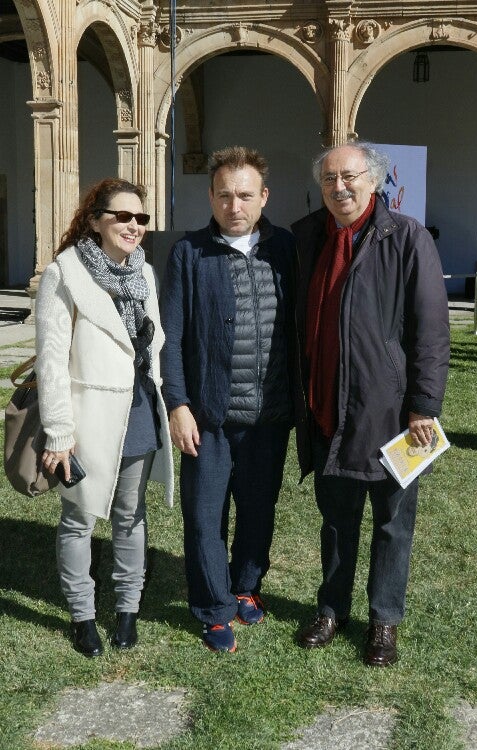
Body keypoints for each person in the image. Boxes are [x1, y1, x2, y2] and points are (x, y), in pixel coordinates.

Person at [292, 141, 449, 666]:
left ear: (375, 179)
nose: (340, 187)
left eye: (350, 176)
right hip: (326, 408)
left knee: (392, 521)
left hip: (392, 414)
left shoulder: (406, 237)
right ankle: (331, 609)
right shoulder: (308, 235)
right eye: (330, 178)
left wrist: (423, 404)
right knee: (336, 520)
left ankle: (384, 621)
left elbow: (430, 330)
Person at [160, 146, 295, 653]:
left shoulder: (284, 247)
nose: (234, 205)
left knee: (259, 509)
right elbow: (171, 338)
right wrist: (178, 404)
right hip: (209, 417)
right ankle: (214, 607)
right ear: (211, 197)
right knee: (203, 516)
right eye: (224, 195)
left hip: (270, 414)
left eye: (244, 195)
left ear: (263, 196)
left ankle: (245, 586)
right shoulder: (189, 252)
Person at [35, 178, 174, 657]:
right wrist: (58, 433)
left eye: (141, 218)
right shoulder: (65, 273)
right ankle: (83, 615)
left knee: (130, 515)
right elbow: (51, 360)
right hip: (85, 416)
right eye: (123, 216)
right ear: (96, 221)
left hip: (137, 411)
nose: (133, 226)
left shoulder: (144, 273)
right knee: (78, 519)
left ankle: (128, 610)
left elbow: (153, 344)